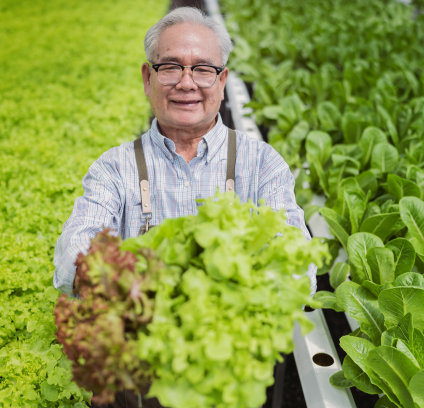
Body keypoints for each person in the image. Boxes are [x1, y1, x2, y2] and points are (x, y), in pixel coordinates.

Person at [53, 6, 315, 406]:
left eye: (203, 69)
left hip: (230, 376)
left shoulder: (262, 164)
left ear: (223, 81)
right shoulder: (115, 167)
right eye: (170, 67)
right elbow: (72, 254)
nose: (187, 83)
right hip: (142, 380)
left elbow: (300, 266)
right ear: (148, 78)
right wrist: (152, 293)